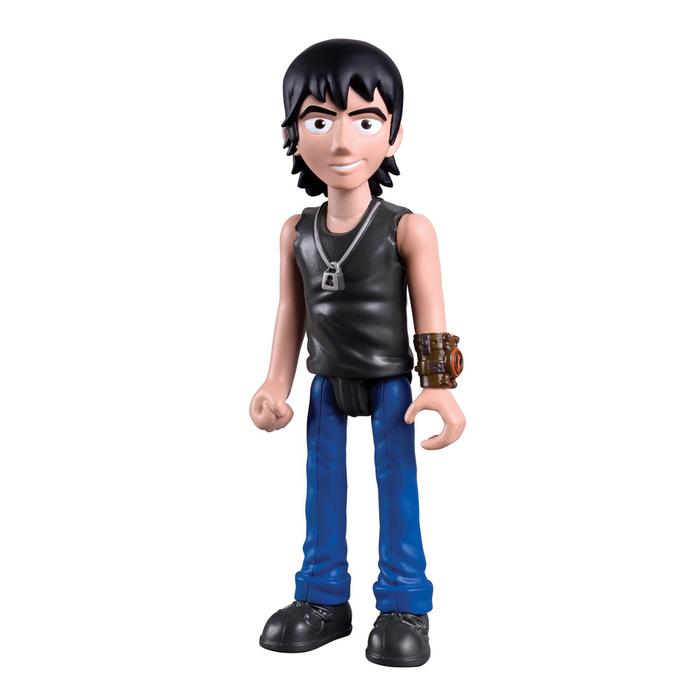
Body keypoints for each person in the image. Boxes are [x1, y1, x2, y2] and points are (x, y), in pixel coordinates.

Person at [249, 38, 466, 667]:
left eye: (365, 121)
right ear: (293, 135)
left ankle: (404, 603)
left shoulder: (407, 227)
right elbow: (291, 312)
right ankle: (322, 598)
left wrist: (439, 384)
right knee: (322, 489)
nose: (343, 142)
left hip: (391, 383)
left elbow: (431, 312)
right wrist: (274, 384)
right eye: (321, 121)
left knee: (397, 489)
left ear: (392, 136)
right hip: (326, 383)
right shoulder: (296, 232)